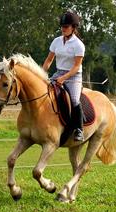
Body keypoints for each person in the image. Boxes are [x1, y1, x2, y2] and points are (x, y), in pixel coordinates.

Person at [43, 10, 85, 142]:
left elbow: (76, 66)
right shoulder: (56, 41)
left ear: (73, 28)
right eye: (62, 27)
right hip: (58, 72)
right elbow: (49, 60)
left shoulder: (79, 45)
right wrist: (41, 73)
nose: (63, 29)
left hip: (74, 76)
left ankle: (79, 129)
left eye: (66, 27)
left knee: (74, 100)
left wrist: (64, 78)